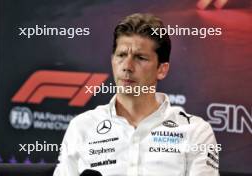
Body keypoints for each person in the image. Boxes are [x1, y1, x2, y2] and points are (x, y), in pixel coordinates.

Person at [53, 13, 219, 176]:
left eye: (140, 57)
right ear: (112, 60)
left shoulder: (196, 132)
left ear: (162, 69)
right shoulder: (81, 127)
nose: (127, 66)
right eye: (122, 55)